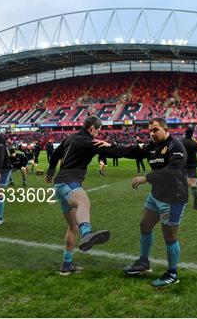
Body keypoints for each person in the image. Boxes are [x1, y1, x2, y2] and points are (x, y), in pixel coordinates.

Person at [46, 116, 133, 276]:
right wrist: (111, 145)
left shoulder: (70, 138)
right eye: (98, 130)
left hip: (59, 183)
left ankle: (66, 265)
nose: (97, 134)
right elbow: (114, 153)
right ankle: (87, 234)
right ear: (92, 127)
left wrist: (50, 174)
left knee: (73, 227)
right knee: (84, 202)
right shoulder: (89, 142)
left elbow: (55, 155)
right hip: (69, 182)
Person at [123, 118, 188, 289]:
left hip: (173, 198)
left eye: (155, 130)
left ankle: (172, 274)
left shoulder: (176, 147)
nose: (152, 133)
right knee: (144, 225)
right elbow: (132, 151)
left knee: (170, 237)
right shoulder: (151, 146)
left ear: (166, 129)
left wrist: (146, 178)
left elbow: (173, 171)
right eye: (150, 130)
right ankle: (144, 263)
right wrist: (107, 148)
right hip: (156, 196)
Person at [181, 127, 197, 210]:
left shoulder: (180, 142)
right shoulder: (194, 143)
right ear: (192, 134)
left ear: (185, 133)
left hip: (182, 166)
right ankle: (195, 204)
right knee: (193, 184)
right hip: (191, 166)